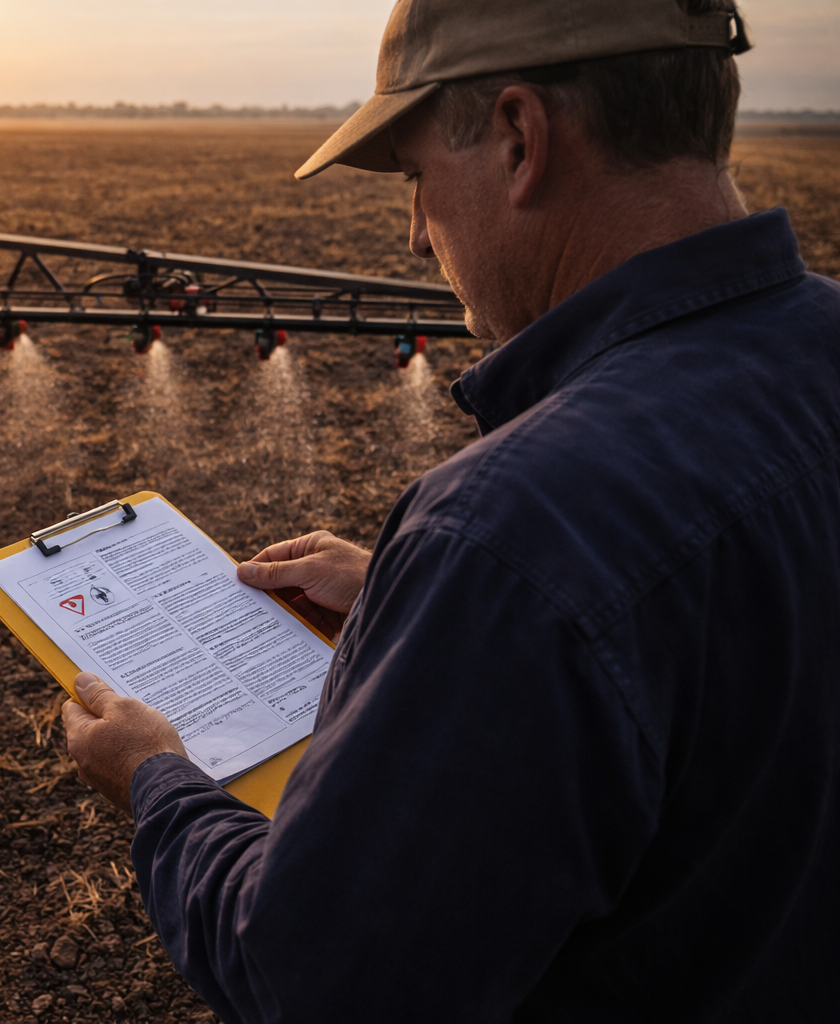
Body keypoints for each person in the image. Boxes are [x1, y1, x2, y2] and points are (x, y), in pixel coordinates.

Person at [61, 0, 840, 1019]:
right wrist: (412, 593)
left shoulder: (511, 534)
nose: (417, 232)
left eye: (419, 177)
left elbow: (313, 980)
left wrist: (157, 780)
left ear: (521, 137)